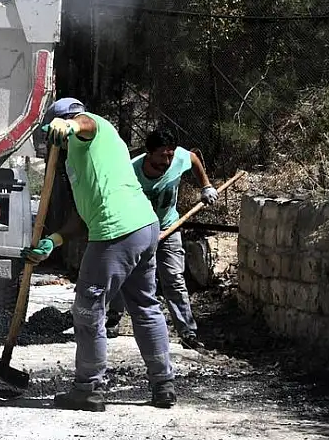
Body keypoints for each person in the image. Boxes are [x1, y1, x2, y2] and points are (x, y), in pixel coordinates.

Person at [21, 97, 176, 411]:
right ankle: (164, 385)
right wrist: (53, 241)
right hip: (142, 227)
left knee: (88, 310)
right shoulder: (78, 160)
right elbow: (82, 216)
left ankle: (89, 389)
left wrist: (69, 123)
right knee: (145, 305)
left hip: (116, 232)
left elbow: (87, 123)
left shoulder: (94, 130)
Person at [104, 129, 218, 349]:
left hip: (168, 227)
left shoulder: (179, 158)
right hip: (135, 229)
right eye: (162, 156)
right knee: (124, 275)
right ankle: (113, 318)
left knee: (174, 278)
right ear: (149, 153)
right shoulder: (130, 171)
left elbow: (193, 158)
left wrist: (206, 186)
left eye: (170, 155)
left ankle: (188, 332)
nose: (167, 161)